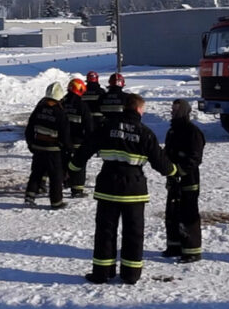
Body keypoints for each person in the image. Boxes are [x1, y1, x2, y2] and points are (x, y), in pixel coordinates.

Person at [71, 93, 178, 284]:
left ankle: (102, 273)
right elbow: (160, 162)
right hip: (134, 191)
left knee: (105, 231)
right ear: (138, 109)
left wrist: (72, 167)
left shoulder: (106, 126)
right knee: (133, 233)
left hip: (108, 188)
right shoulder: (145, 132)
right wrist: (174, 171)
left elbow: (85, 149)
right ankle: (131, 274)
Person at [162, 99, 206, 263]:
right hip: (173, 178)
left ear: (184, 111)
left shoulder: (192, 132)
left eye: (176, 110)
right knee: (172, 212)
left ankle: (192, 250)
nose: (173, 112)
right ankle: (174, 245)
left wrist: (181, 170)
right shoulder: (172, 132)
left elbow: (195, 158)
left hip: (189, 179)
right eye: (172, 109)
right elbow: (167, 152)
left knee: (188, 214)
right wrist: (167, 169)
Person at [23, 82, 70, 209]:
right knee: (55, 177)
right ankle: (56, 202)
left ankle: (29, 196)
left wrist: (31, 144)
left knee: (36, 172)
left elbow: (29, 128)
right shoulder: (60, 112)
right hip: (53, 150)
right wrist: (67, 149)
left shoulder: (39, 108)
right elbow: (65, 134)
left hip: (38, 147)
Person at [61, 77, 94, 198]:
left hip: (62, 141)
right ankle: (77, 190)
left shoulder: (62, 103)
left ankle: (65, 181)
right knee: (79, 164)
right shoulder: (82, 106)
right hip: (78, 141)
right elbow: (89, 125)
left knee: (64, 162)